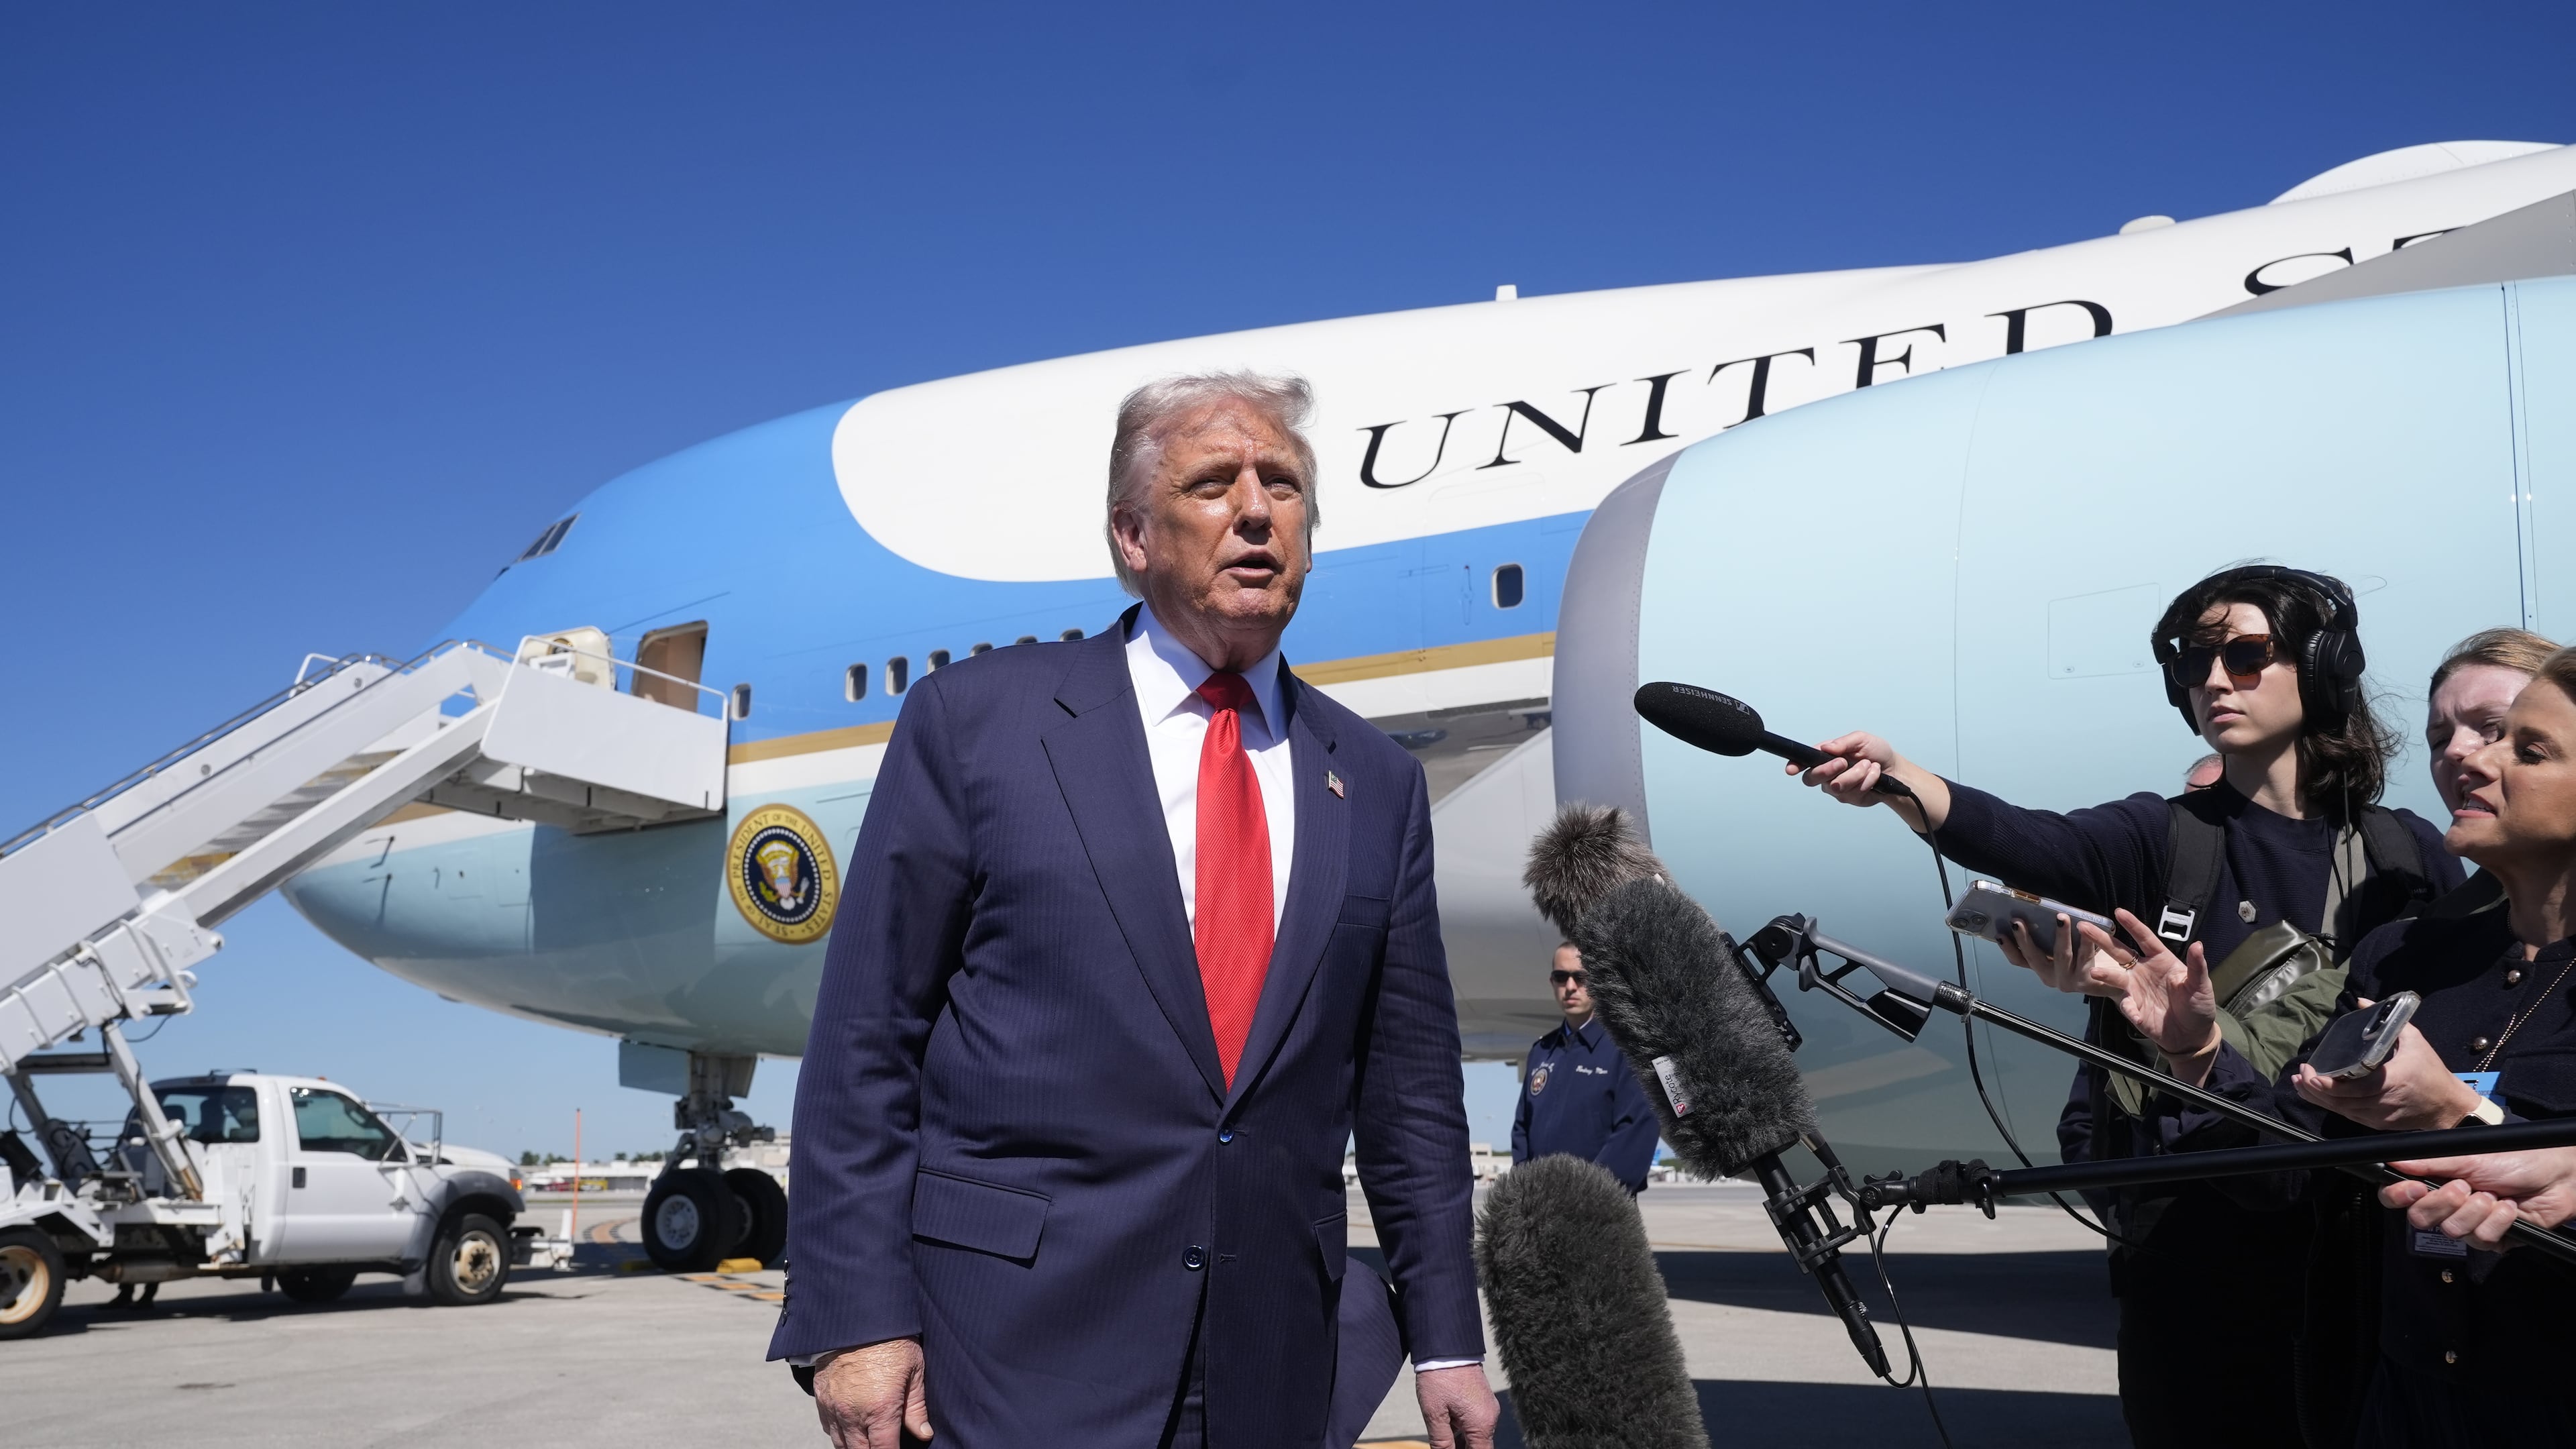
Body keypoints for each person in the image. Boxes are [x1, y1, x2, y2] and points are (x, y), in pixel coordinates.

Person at [771, 372, 1497, 1449]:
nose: (1258, 510)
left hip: (1273, 1361)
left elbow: (1411, 1097)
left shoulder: (1375, 781)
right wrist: (857, 1319)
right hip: (1012, 1355)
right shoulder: (979, 726)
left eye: (1284, 486)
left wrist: (1446, 1340)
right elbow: (867, 1046)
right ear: (1132, 535)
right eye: (1214, 482)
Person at [1789, 564, 2459, 1449]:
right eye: (2194, 662)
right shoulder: (2164, 836)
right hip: (2193, 1272)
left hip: (2356, 1258)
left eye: (2248, 654)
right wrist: (1904, 780)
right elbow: (2031, 838)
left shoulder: (2405, 855)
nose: (2215, 680)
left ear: (2326, 667)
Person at [2092, 644, 2576, 1446]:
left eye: (2521, 746)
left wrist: (2458, 1115)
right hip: (2401, 1398)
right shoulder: (2404, 959)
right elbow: (2284, 1171)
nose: (2468, 760)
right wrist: (2195, 1049)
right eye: (2445, 738)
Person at [1510, 943, 1660, 1193]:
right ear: (1552, 983)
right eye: (1561, 977)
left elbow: (1634, 1132)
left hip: (1600, 1212)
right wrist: (1527, 1192)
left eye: (1581, 977)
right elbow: (1522, 1129)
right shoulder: (1541, 1051)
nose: (1570, 987)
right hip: (1539, 1208)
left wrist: (1585, 1198)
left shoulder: (1626, 1049)